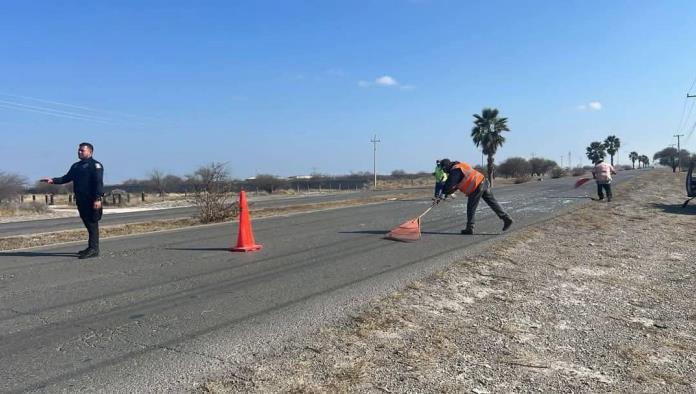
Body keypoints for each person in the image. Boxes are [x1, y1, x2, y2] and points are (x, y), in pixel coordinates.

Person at [43, 142, 104, 259]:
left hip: (92, 200)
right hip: (81, 200)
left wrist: (97, 198)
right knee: (87, 223)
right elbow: (66, 178)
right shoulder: (76, 166)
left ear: (90, 152)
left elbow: (98, 183)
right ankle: (91, 247)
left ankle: (94, 249)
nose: (79, 152)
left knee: (92, 224)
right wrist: (53, 180)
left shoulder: (95, 165)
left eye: (82, 150)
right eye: (79, 150)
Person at [436, 158, 513, 235]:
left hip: (476, 186)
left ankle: (470, 228)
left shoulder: (455, 170)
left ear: (446, 166)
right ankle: (506, 218)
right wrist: (445, 194)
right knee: (492, 203)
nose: (444, 171)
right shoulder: (460, 166)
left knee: (471, 207)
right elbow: (455, 186)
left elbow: (449, 185)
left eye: (444, 169)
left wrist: (443, 193)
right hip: (483, 181)